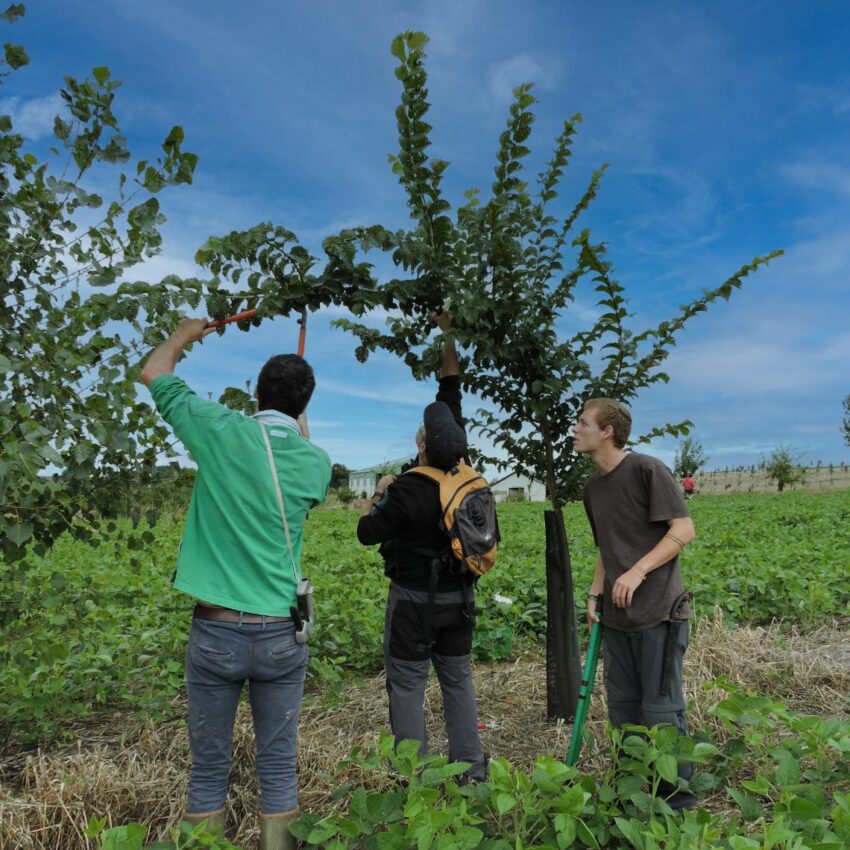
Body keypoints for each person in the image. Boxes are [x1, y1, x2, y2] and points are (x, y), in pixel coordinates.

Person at [139, 318, 331, 850]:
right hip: (281, 636)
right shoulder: (316, 463)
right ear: (304, 403)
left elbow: (154, 371)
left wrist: (183, 336)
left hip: (216, 632)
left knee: (207, 770)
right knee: (279, 766)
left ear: (255, 393)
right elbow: (297, 452)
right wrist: (297, 417)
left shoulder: (218, 430)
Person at [356, 311, 487, 781]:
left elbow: (367, 533)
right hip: (461, 599)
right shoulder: (466, 474)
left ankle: (416, 780)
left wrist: (378, 493)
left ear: (424, 447)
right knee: (458, 682)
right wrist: (448, 335)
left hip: (413, 602)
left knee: (408, 687)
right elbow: (451, 391)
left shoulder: (408, 488)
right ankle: (472, 774)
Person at [572, 398, 697, 810]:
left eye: (583, 422)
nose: (575, 429)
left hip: (659, 612)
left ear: (607, 431)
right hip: (617, 616)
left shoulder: (647, 469)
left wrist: (638, 571)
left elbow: (684, 528)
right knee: (623, 711)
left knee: (661, 711)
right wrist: (595, 594)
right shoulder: (593, 488)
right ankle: (629, 799)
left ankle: (675, 806)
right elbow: (606, 547)